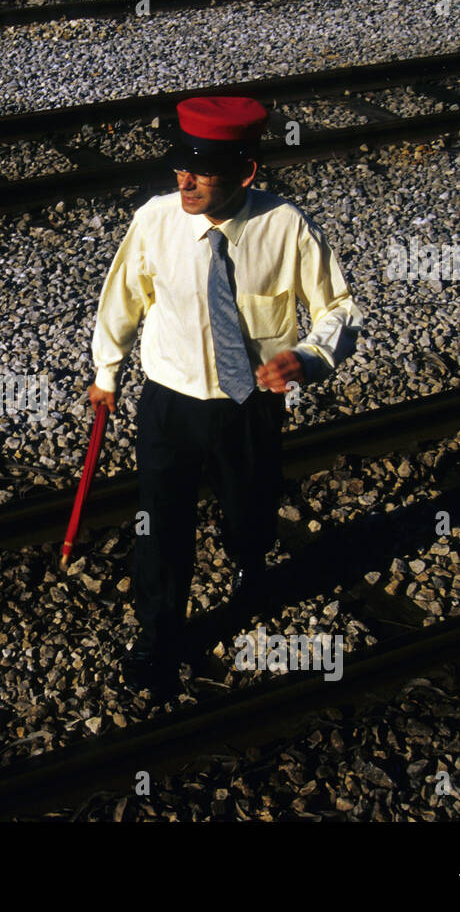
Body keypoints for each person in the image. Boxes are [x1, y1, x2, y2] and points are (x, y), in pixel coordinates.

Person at [87, 96, 364, 695]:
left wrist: (310, 356)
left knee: (249, 505)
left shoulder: (285, 226)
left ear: (246, 172)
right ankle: (160, 634)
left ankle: (249, 560)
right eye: (180, 165)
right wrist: (106, 372)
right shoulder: (155, 221)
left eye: (203, 169)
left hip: (248, 405)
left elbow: (340, 306)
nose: (185, 181)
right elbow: (123, 298)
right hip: (170, 401)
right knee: (160, 525)